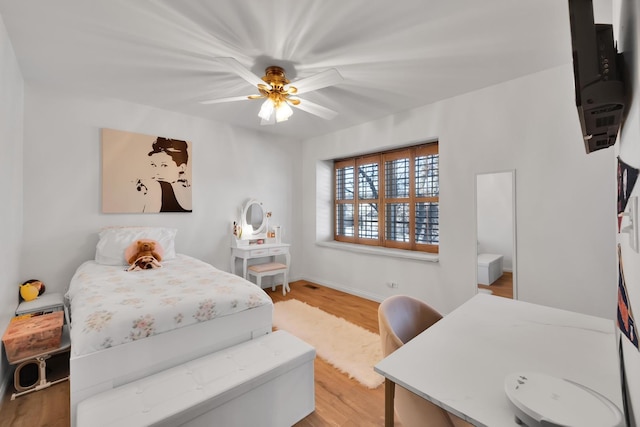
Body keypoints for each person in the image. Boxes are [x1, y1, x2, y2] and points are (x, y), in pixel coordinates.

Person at [139, 137, 192, 213]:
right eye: (153, 165)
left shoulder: (155, 188)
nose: (157, 172)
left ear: (182, 167)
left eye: (164, 165)